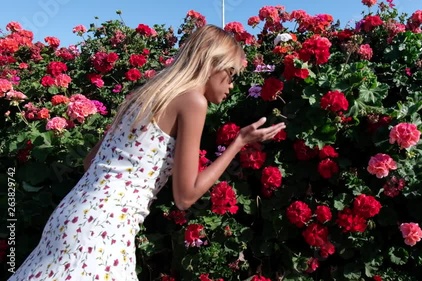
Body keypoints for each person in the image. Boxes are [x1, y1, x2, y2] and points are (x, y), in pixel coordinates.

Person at [8, 24, 286, 281]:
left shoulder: (145, 95)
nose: (231, 85)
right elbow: (185, 196)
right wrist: (238, 143)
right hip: (104, 230)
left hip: (73, 214)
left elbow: (90, 161)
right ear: (212, 64)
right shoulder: (193, 101)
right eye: (231, 74)